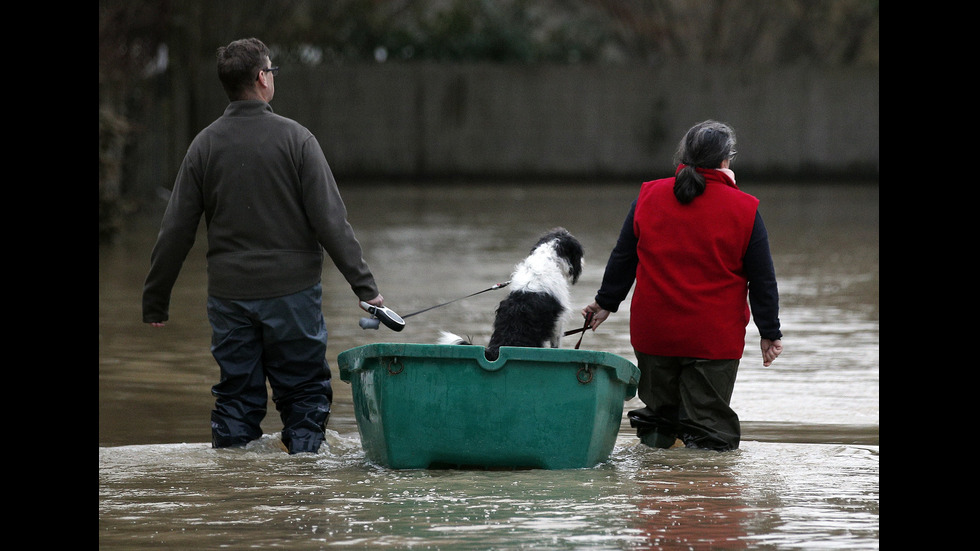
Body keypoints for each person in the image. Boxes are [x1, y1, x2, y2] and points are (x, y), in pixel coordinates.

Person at [142, 38, 385, 454]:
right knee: (304, 397)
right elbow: (331, 222)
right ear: (261, 79)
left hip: (229, 297)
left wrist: (155, 301)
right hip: (292, 296)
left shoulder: (204, 146)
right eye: (271, 71)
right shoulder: (298, 140)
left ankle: (237, 493)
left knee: (235, 401)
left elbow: (176, 230)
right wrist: (367, 290)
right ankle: (302, 485)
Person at [581, 120, 782, 452]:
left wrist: (605, 303)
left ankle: (655, 490)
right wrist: (770, 332)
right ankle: (699, 493)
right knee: (708, 429)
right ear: (725, 160)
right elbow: (763, 280)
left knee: (660, 420)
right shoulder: (744, 209)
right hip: (712, 339)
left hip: (654, 333)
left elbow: (623, 258)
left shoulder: (648, 196)